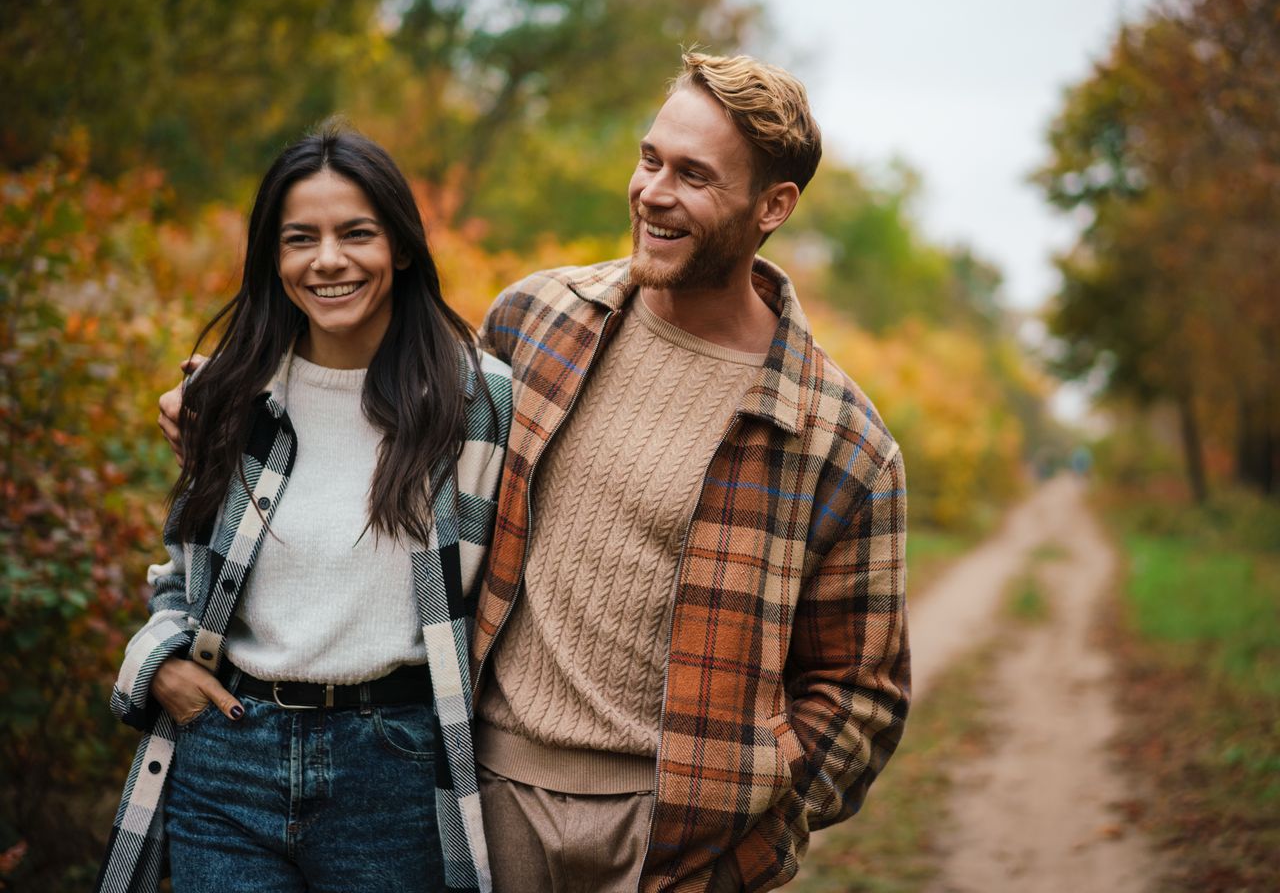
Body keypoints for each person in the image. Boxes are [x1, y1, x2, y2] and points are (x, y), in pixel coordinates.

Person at [161, 52, 909, 893]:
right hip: (488, 800)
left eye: (694, 176)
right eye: (650, 158)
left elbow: (859, 691)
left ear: (773, 205)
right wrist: (222, 397)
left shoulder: (841, 440)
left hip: (670, 837)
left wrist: (753, 836)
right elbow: (378, 408)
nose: (653, 192)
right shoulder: (537, 321)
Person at [99, 129, 511, 893]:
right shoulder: (233, 397)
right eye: (300, 239)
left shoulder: (475, 404)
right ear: (272, 258)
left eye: (356, 233)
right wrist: (158, 668)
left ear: (402, 248)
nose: (328, 260)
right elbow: (182, 576)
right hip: (227, 760)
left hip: (393, 771)